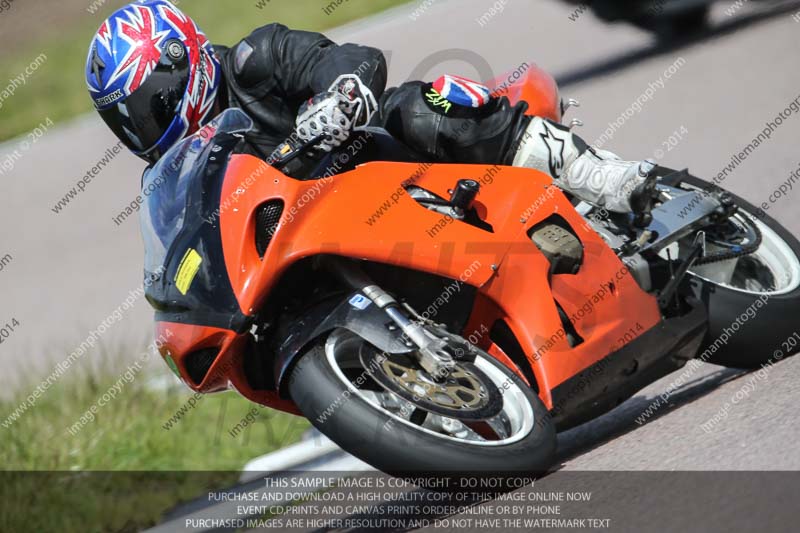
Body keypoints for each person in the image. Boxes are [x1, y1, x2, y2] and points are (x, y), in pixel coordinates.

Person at [86, 0, 653, 213]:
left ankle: (594, 172)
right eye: (127, 121)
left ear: (180, 61)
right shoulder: (184, 173)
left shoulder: (255, 59)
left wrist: (340, 95)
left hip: (383, 166)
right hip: (318, 232)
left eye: (147, 106)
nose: (143, 127)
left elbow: (344, 58)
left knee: (415, 106)